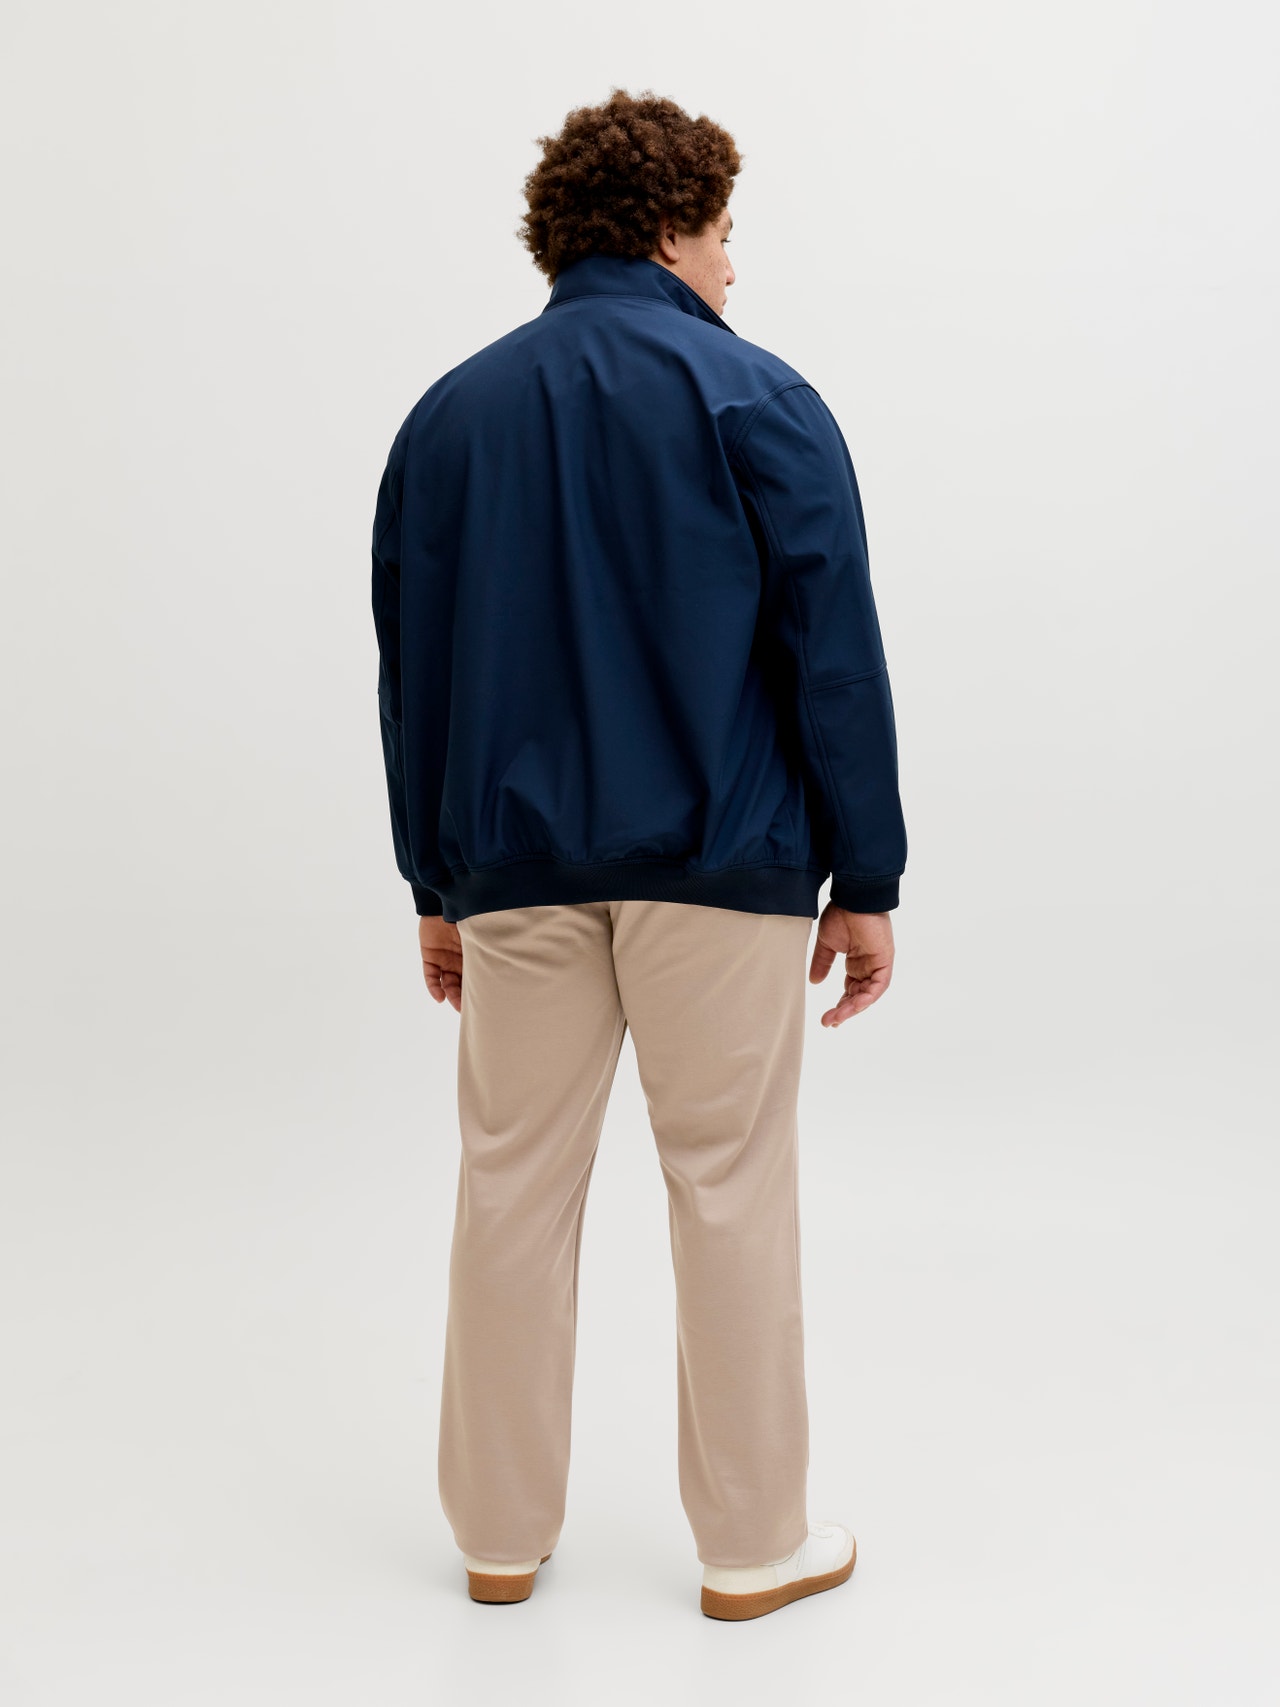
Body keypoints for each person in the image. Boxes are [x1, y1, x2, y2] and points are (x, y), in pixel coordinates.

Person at [370, 87, 908, 1621]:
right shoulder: (757, 396)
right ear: (670, 228)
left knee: (510, 1184)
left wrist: (435, 881)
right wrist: (865, 877)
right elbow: (832, 657)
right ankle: (753, 1546)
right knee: (727, 1185)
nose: (736, 264)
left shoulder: (451, 420)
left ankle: (496, 1536)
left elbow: (415, 675)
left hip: (516, 873)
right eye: (726, 233)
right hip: (723, 865)